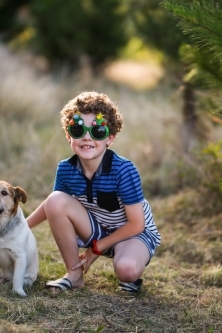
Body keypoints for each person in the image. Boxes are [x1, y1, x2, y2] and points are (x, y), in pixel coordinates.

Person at [27, 91, 161, 292]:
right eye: (78, 130)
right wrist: (20, 226)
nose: (87, 137)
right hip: (98, 229)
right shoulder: (66, 168)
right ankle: (74, 275)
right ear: (68, 135)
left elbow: (136, 224)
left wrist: (96, 249)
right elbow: (53, 205)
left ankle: (130, 267)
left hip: (133, 233)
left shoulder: (123, 169)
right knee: (55, 200)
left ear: (110, 138)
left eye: (97, 131)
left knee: (126, 270)